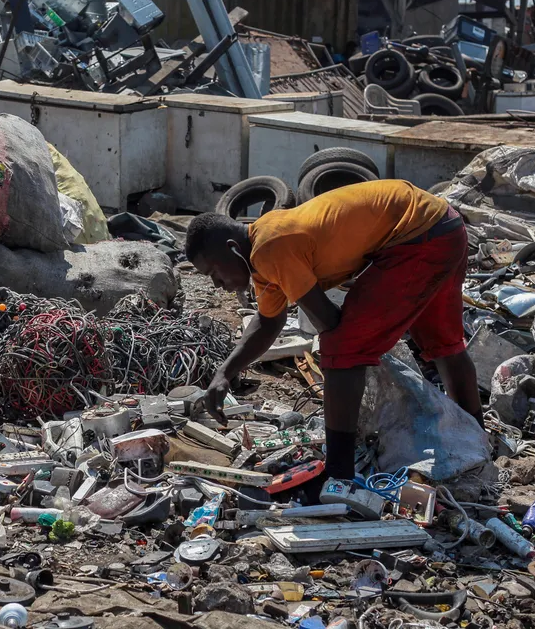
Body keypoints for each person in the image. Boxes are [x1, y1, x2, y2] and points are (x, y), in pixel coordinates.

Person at [184, 179, 482, 507]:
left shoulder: (270, 246)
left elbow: (327, 320)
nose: (216, 283)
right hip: (442, 225)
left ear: (232, 248)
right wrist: (225, 371)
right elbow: (270, 321)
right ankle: (477, 443)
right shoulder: (262, 248)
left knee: (341, 348)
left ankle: (338, 475)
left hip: (417, 235)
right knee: (443, 343)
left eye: (213, 271)